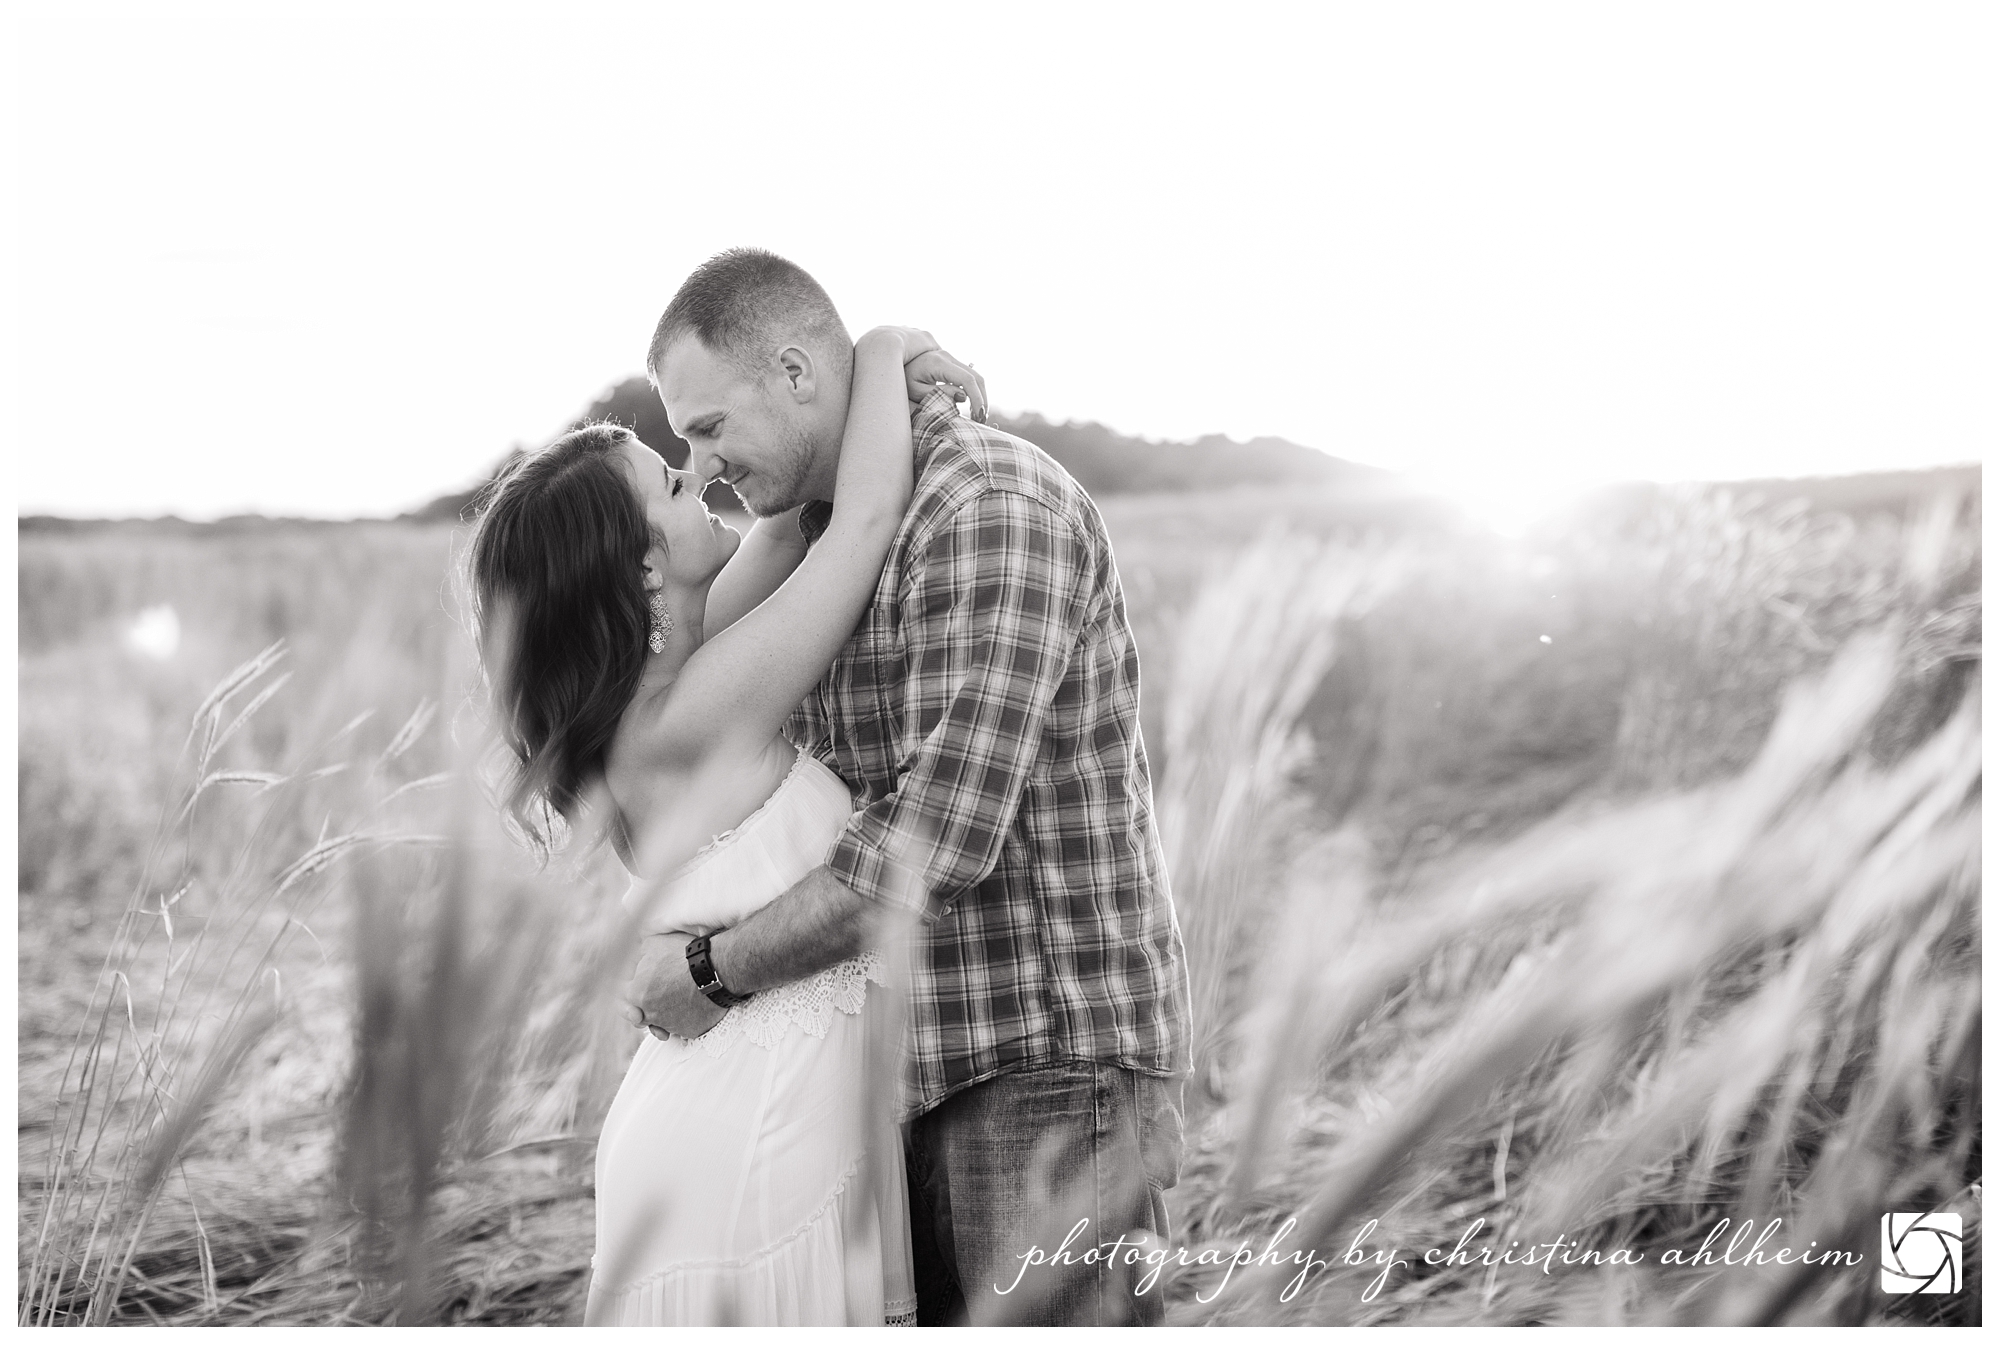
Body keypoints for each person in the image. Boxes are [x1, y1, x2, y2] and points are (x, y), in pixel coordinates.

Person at [633, 248, 1193, 1326]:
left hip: (1035, 1069)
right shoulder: (812, 545)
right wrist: (888, 344)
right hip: (886, 1077)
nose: (700, 465)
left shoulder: (983, 506)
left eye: (706, 427)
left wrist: (707, 973)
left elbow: (933, 840)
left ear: (795, 371)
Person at [466, 318, 985, 1326]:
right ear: (644, 571)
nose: (699, 479)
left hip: (748, 1114)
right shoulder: (695, 713)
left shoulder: (663, 691)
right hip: (754, 1138)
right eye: (669, 484)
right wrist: (876, 350)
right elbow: (863, 516)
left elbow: (792, 520)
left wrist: (815, 397)